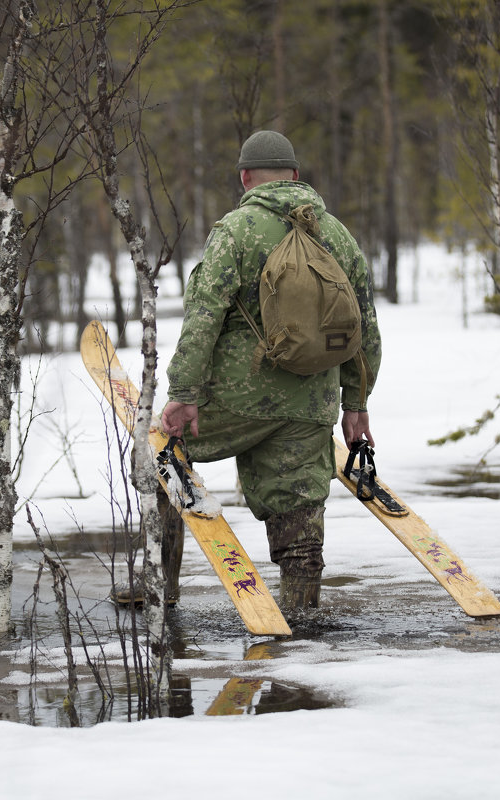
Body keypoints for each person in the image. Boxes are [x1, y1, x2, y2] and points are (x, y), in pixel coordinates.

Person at [157, 129, 382, 612]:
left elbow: (203, 316)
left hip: (238, 402)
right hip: (311, 403)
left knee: (159, 457)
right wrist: (356, 404)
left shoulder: (236, 231)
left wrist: (185, 392)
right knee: (300, 513)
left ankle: (160, 589)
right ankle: (302, 619)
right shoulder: (338, 234)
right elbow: (365, 326)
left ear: (245, 178)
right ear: (297, 176)